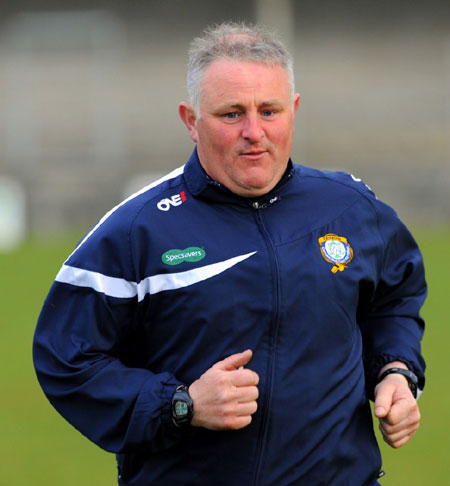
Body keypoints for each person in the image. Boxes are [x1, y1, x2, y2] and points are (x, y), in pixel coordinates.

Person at [33, 22, 426, 486]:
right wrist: (182, 404)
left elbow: (394, 297)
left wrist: (395, 371)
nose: (254, 132)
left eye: (270, 110)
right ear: (190, 120)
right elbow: (67, 360)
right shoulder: (135, 231)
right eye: (232, 114)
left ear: (294, 110)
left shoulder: (350, 207)